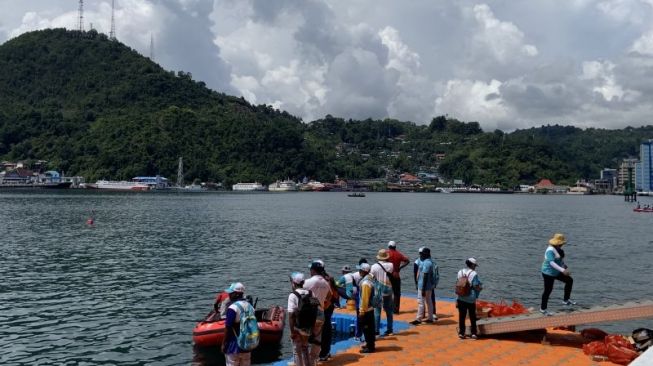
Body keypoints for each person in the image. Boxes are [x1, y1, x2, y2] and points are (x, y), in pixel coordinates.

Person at [540, 233, 576, 316]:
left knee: (569, 280)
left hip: (556, 272)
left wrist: (564, 266)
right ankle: (543, 309)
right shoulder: (550, 250)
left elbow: (559, 260)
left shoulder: (559, 249)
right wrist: (563, 270)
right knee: (548, 291)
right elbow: (552, 263)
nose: (562, 245)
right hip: (548, 273)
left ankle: (566, 300)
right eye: (561, 243)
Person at [302, 260, 331, 363]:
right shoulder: (326, 283)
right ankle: (313, 360)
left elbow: (298, 292)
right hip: (321, 313)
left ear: (313, 270)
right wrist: (323, 306)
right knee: (317, 338)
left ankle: (305, 362)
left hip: (309, 314)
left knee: (304, 339)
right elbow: (329, 297)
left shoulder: (308, 282)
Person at [222, 282, 255, 366]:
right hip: (247, 345)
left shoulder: (233, 308)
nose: (229, 295)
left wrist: (224, 344)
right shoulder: (250, 307)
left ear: (236, 294)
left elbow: (228, 327)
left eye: (231, 293)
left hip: (233, 346)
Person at [287, 272, 311, 366]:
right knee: (305, 348)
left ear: (294, 283)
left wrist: (292, 331)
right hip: (308, 327)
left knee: (297, 351)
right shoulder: (310, 293)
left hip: (298, 327)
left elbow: (291, 315)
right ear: (303, 282)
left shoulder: (293, 295)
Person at [317, 262, 339, 362]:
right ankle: (326, 351)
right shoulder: (329, 278)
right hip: (329, 307)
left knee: (323, 331)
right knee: (327, 329)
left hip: (325, 307)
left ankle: (323, 353)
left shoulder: (323, 280)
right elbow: (335, 293)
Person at [410, 247, 438, 325]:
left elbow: (425, 275)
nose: (421, 255)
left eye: (422, 254)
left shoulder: (426, 263)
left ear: (425, 255)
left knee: (420, 302)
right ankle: (430, 318)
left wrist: (422, 289)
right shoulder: (431, 262)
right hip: (429, 286)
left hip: (424, 286)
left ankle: (418, 319)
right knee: (429, 301)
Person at [457, 258, 482, 340]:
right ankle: (473, 333)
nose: (475, 267)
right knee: (472, 316)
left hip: (461, 297)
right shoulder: (474, 273)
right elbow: (475, 286)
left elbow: (458, 283)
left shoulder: (460, 272)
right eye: (475, 265)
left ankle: (461, 333)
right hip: (470, 298)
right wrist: (480, 288)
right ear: (472, 265)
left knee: (462, 316)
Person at [370, 249, 394, 336]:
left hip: (378, 292)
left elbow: (371, 278)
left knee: (377, 312)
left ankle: (376, 331)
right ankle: (390, 329)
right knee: (389, 311)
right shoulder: (391, 265)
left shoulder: (374, 266)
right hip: (388, 290)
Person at [357, 263, 376, 353]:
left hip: (366, 310)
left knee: (366, 328)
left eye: (360, 270)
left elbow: (364, 299)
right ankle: (369, 344)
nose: (359, 271)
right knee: (369, 328)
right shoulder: (370, 279)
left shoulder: (365, 283)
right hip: (370, 308)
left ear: (363, 271)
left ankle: (370, 347)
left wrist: (361, 312)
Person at [386, 241, 410, 313]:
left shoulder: (386, 254)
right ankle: (396, 309)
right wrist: (400, 267)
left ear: (389, 246)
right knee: (397, 293)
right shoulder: (399, 254)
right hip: (396, 275)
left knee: (387, 292)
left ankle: (387, 307)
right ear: (395, 247)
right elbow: (407, 261)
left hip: (388, 275)